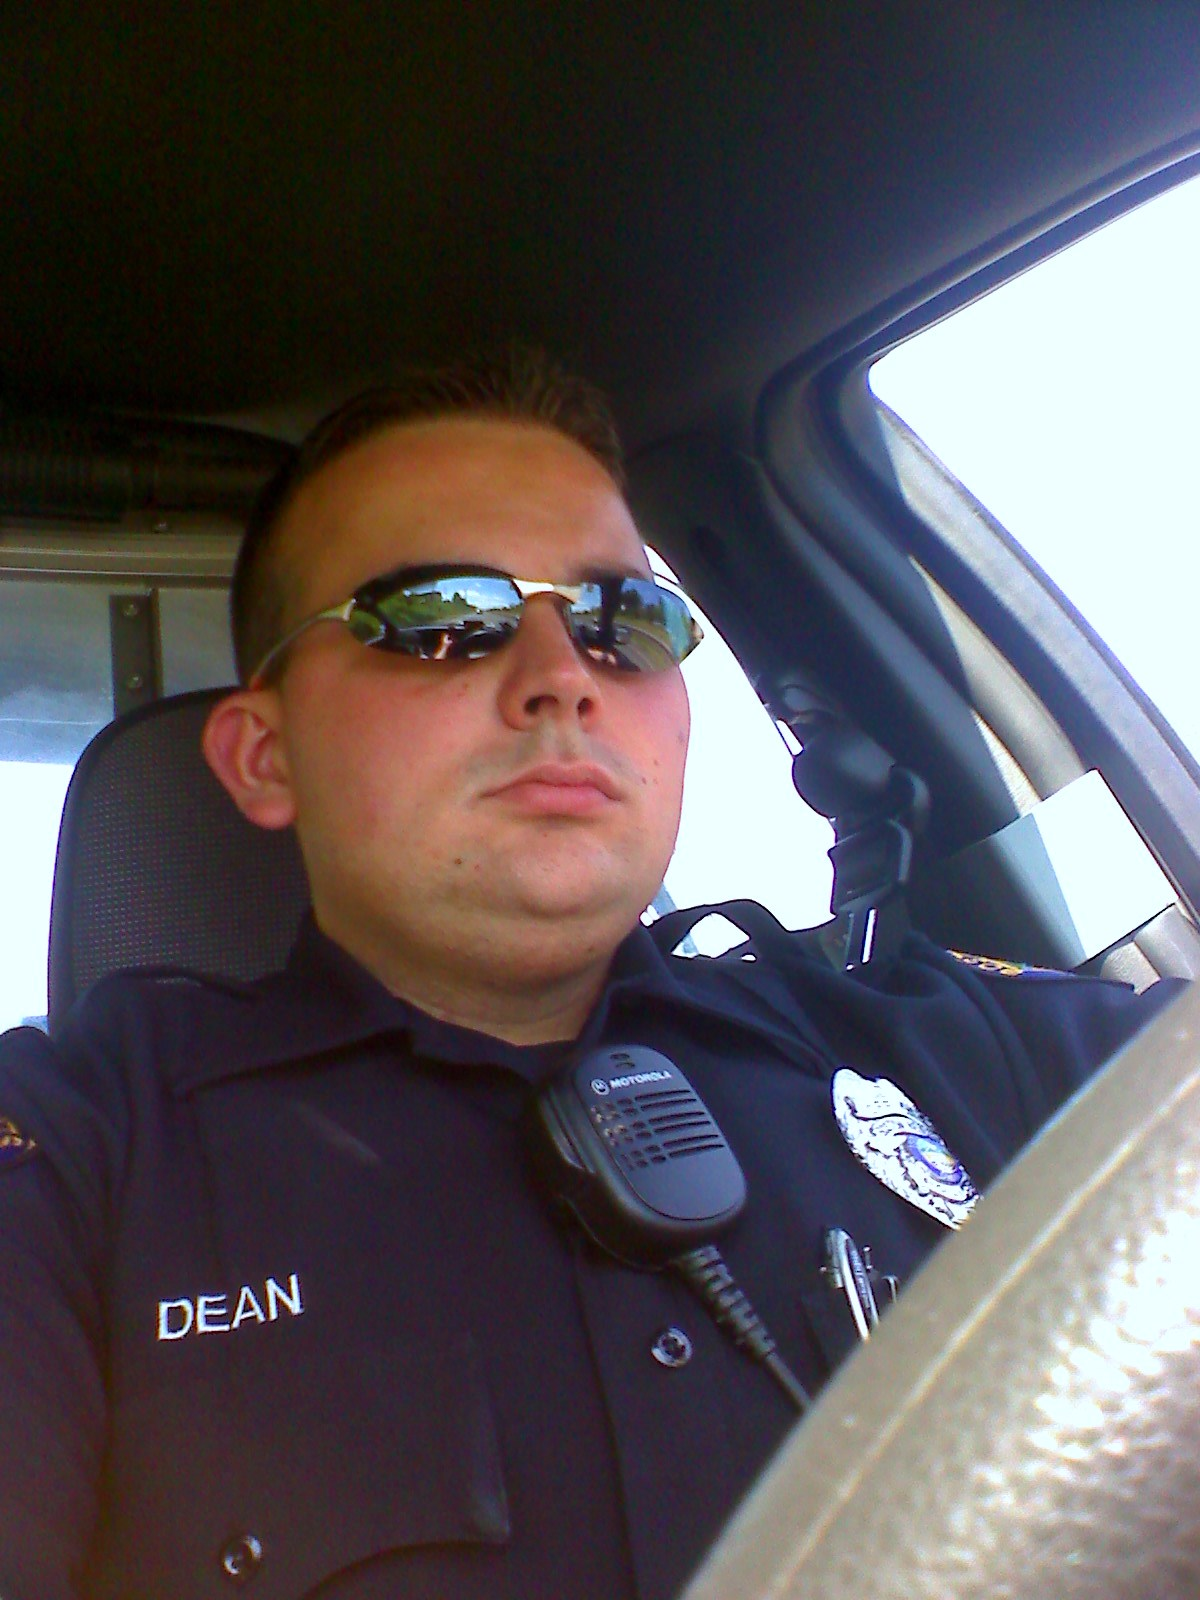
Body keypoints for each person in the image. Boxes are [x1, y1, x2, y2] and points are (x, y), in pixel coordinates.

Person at [0, 349, 1181, 1600]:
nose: (563, 675)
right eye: (444, 620)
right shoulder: (81, 1162)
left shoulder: (933, 1040)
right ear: (264, 756)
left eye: (626, 622)